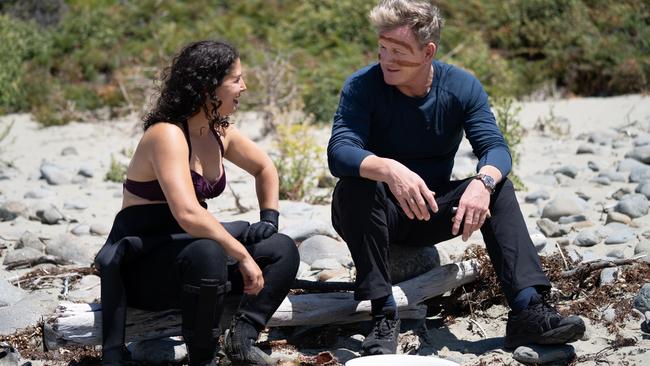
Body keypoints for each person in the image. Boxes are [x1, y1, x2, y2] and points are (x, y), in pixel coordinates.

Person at [327, 0, 585, 356]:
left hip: (430, 210)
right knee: (354, 184)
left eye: (399, 51)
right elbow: (339, 151)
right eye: (382, 48)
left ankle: (529, 308)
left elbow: (495, 147)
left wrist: (483, 183)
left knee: (499, 188)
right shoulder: (362, 86)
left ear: (428, 51)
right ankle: (382, 312)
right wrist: (388, 168)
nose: (387, 59)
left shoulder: (461, 87)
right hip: (375, 213)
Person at [95, 40, 299, 366]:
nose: (244, 87)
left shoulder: (220, 131)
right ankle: (203, 356)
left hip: (191, 255)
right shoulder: (167, 134)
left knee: (282, 248)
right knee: (209, 250)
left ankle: (242, 338)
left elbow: (265, 168)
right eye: (236, 79)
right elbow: (188, 213)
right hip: (146, 265)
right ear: (208, 86)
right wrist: (242, 255)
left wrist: (269, 219)